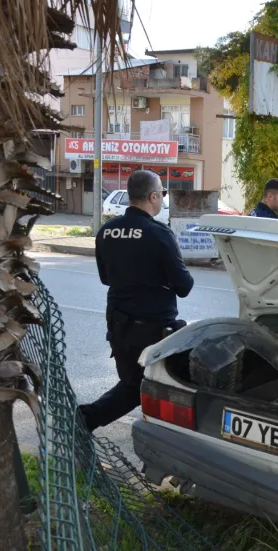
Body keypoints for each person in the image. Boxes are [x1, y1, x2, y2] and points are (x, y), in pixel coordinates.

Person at [78, 170, 195, 432]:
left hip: (119, 325)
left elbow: (106, 278)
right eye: (163, 193)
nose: (163, 197)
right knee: (156, 387)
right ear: (153, 196)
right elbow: (184, 286)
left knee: (133, 385)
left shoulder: (106, 231)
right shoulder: (160, 233)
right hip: (153, 331)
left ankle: (85, 420)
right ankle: (85, 419)